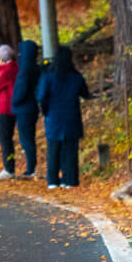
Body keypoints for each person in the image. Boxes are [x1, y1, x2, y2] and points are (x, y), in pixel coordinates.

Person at [37, 44, 91, 189]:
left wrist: (45, 111)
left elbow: (41, 97)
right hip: (71, 116)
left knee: (53, 149)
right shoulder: (76, 77)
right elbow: (85, 93)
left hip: (54, 117)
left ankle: (53, 180)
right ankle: (70, 179)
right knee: (70, 150)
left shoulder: (48, 77)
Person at [11, 38, 41, 179]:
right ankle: (31, 166)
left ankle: (31, 168)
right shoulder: (36, 68)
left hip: (23, 109)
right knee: (30, 138)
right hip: (32, 107)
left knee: (26, 139)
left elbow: (20, 91)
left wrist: (14, 102)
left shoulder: (24, 70)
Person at [0, 44, 18, 179]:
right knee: (7, 137)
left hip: (6, 108)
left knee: (5, 138)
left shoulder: (7, 71)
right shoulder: (16, 68)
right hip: (12, 107)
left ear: (2, 58)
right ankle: (9, 167)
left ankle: (9, 168)